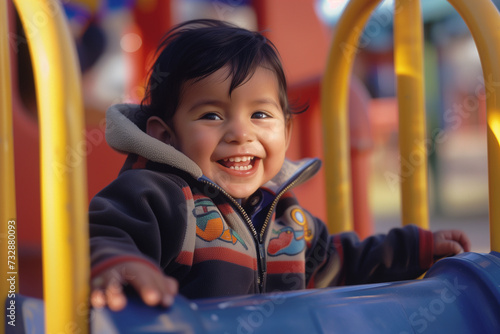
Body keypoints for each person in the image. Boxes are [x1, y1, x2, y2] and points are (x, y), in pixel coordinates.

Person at [89, 19, 471, 311]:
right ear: (165, 136)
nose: (241, 133)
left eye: (259, 114)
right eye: (211, 115)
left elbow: (337, 263)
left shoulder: (286, 215)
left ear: (286, 131)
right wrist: (119, 264)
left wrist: (412, 250)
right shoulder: (160, 195)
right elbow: (104, 232)